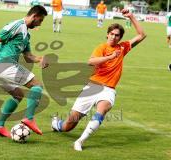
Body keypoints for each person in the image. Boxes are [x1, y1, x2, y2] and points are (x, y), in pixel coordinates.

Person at [51, 9, 146, 151]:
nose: (113, 37)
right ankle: (57, 125)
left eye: (117, 35)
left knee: (101, 111)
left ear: (120, 38)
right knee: (69, 125)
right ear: (107, 34)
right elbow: (91, 61)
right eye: (112, 34)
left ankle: (80, 141)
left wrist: (131, 16)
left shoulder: (123, 47)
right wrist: (109, 57)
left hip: (108, 90)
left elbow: (141, 35)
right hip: (92, 87)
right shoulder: (101, 47)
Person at [0, 5, 49, 137]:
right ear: (34, 16)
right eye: (40, 20)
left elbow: (28, 57)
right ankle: (29, 118)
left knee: (18, 95)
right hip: (3, 65)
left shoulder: (26, 35)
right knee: (37, 85)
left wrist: (40, 59)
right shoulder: (16, 25)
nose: (40, 24)